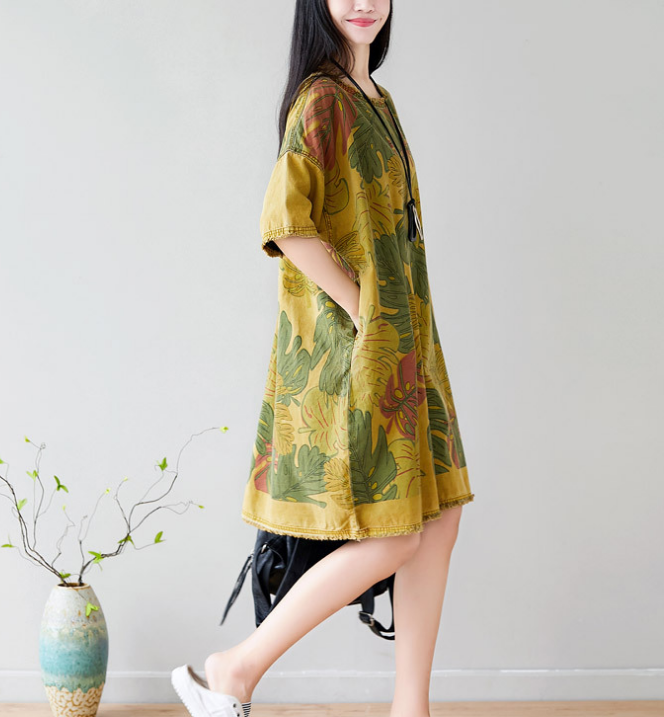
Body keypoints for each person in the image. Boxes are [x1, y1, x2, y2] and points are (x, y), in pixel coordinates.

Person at [172, 2, 474, 716]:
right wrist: (365, 307)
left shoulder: (376, 99)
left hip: (405, 350)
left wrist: (397, 325)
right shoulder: (322, 99)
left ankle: (411, 706)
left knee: (439, 518)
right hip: (356, 356)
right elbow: (286, 223)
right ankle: (235, 668)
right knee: (397, 532)